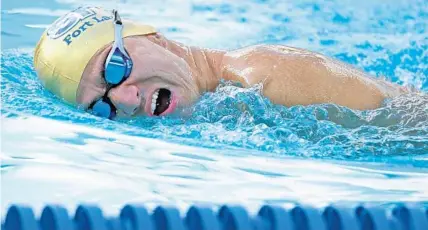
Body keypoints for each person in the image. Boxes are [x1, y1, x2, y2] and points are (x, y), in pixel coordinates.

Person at [34, 6, 411, 120]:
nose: (127, 99)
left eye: (114, 68)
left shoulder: (266, 79)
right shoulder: (223, 100)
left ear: (151, 37)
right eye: (102, 106)